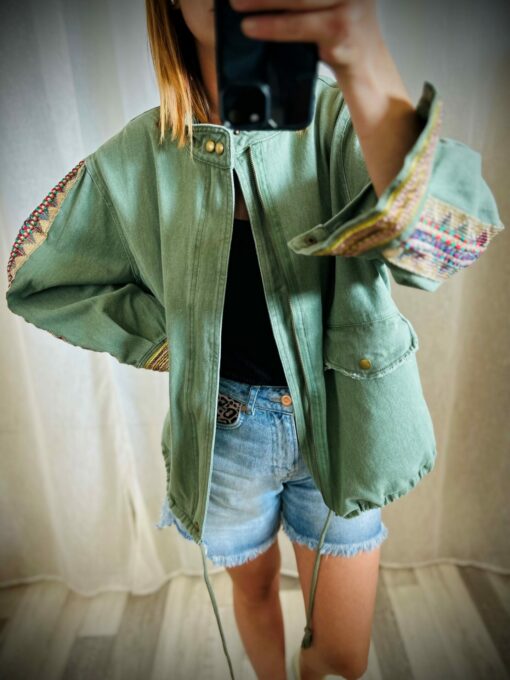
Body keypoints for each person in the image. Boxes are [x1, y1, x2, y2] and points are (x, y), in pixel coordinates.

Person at [5, 1, 504, 679]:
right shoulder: (144, 151)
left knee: (344, 655)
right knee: (255, 592)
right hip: (225, 432)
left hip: (344, 421)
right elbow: (39, 277)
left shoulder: (341, 122)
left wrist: (363, 60)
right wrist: (171, 342)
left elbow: (449, 246)